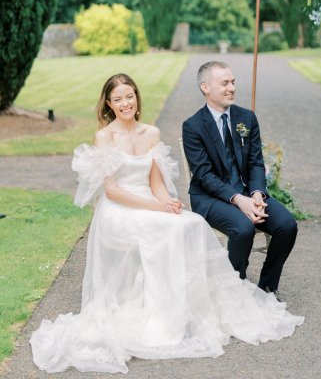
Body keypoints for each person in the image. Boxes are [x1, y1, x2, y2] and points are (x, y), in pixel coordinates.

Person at [30, 73, 303, 374]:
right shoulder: (105, 136)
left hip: (149, 201)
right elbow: (112, 190)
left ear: (137, 97)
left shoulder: (151, 133)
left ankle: (183, 307)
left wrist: (167, 203)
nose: (125, 103)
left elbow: (156, 182)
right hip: (119, 209)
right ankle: (160, 315)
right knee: (162, 227)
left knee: (189, 223)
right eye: (118, 99)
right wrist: (155, 206)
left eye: (129, 96)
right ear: (108, 103)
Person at [182, 61, 298, 298]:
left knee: (287, 225)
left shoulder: (247, 118)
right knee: (243, 229)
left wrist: (256, 194)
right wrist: (238, 200)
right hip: (210, 197)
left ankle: (266, 286)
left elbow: (256, 162)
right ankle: (234, 288)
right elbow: (203, 175)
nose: (232, 88)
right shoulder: (193, 126)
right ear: (205, 87)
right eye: (224, 83)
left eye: (233, 82)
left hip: (248, 193)